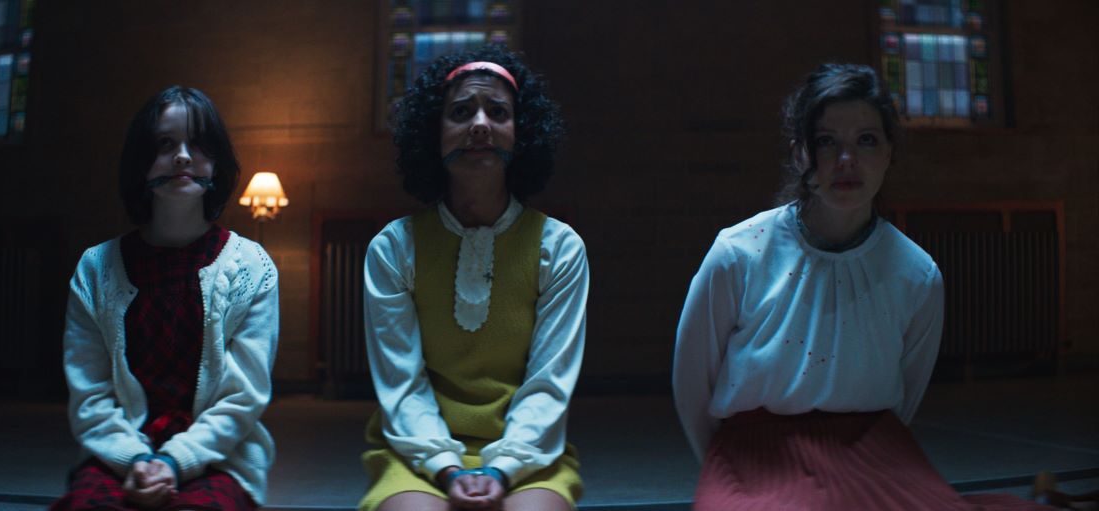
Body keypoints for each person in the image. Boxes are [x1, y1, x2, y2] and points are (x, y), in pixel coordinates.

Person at [672, 63, 1051, 510]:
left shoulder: (916, 273)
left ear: (889, 152)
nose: (846, 160)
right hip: (754, 455)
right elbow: (692, 382)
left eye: (866, 140)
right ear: (800, 154)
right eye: (826, 141)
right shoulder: (740, 253)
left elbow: (907, 390)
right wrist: (722, 471)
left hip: (874, 448)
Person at [359, 45, 587, 511]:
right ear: (433, 134)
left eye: (498, 112)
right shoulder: (394, 248)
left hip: (528, 451)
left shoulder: (559, 248)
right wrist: (447, 468)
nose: (480, 125)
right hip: (416, 450)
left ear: (521, 134)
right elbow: (402, 386)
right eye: (461, 112)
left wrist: (502, 469)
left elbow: (548, 384)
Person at [52, 86, 278, 511]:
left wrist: (174, 462)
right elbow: (91, 396)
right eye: (165, 144)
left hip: (219, 456)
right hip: (119, 455)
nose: (183, 157)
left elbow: (242, 397)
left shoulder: (252, 266)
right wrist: (137, 460)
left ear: (216, 161)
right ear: (141, 162)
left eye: (198, 144)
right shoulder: (96, 268)